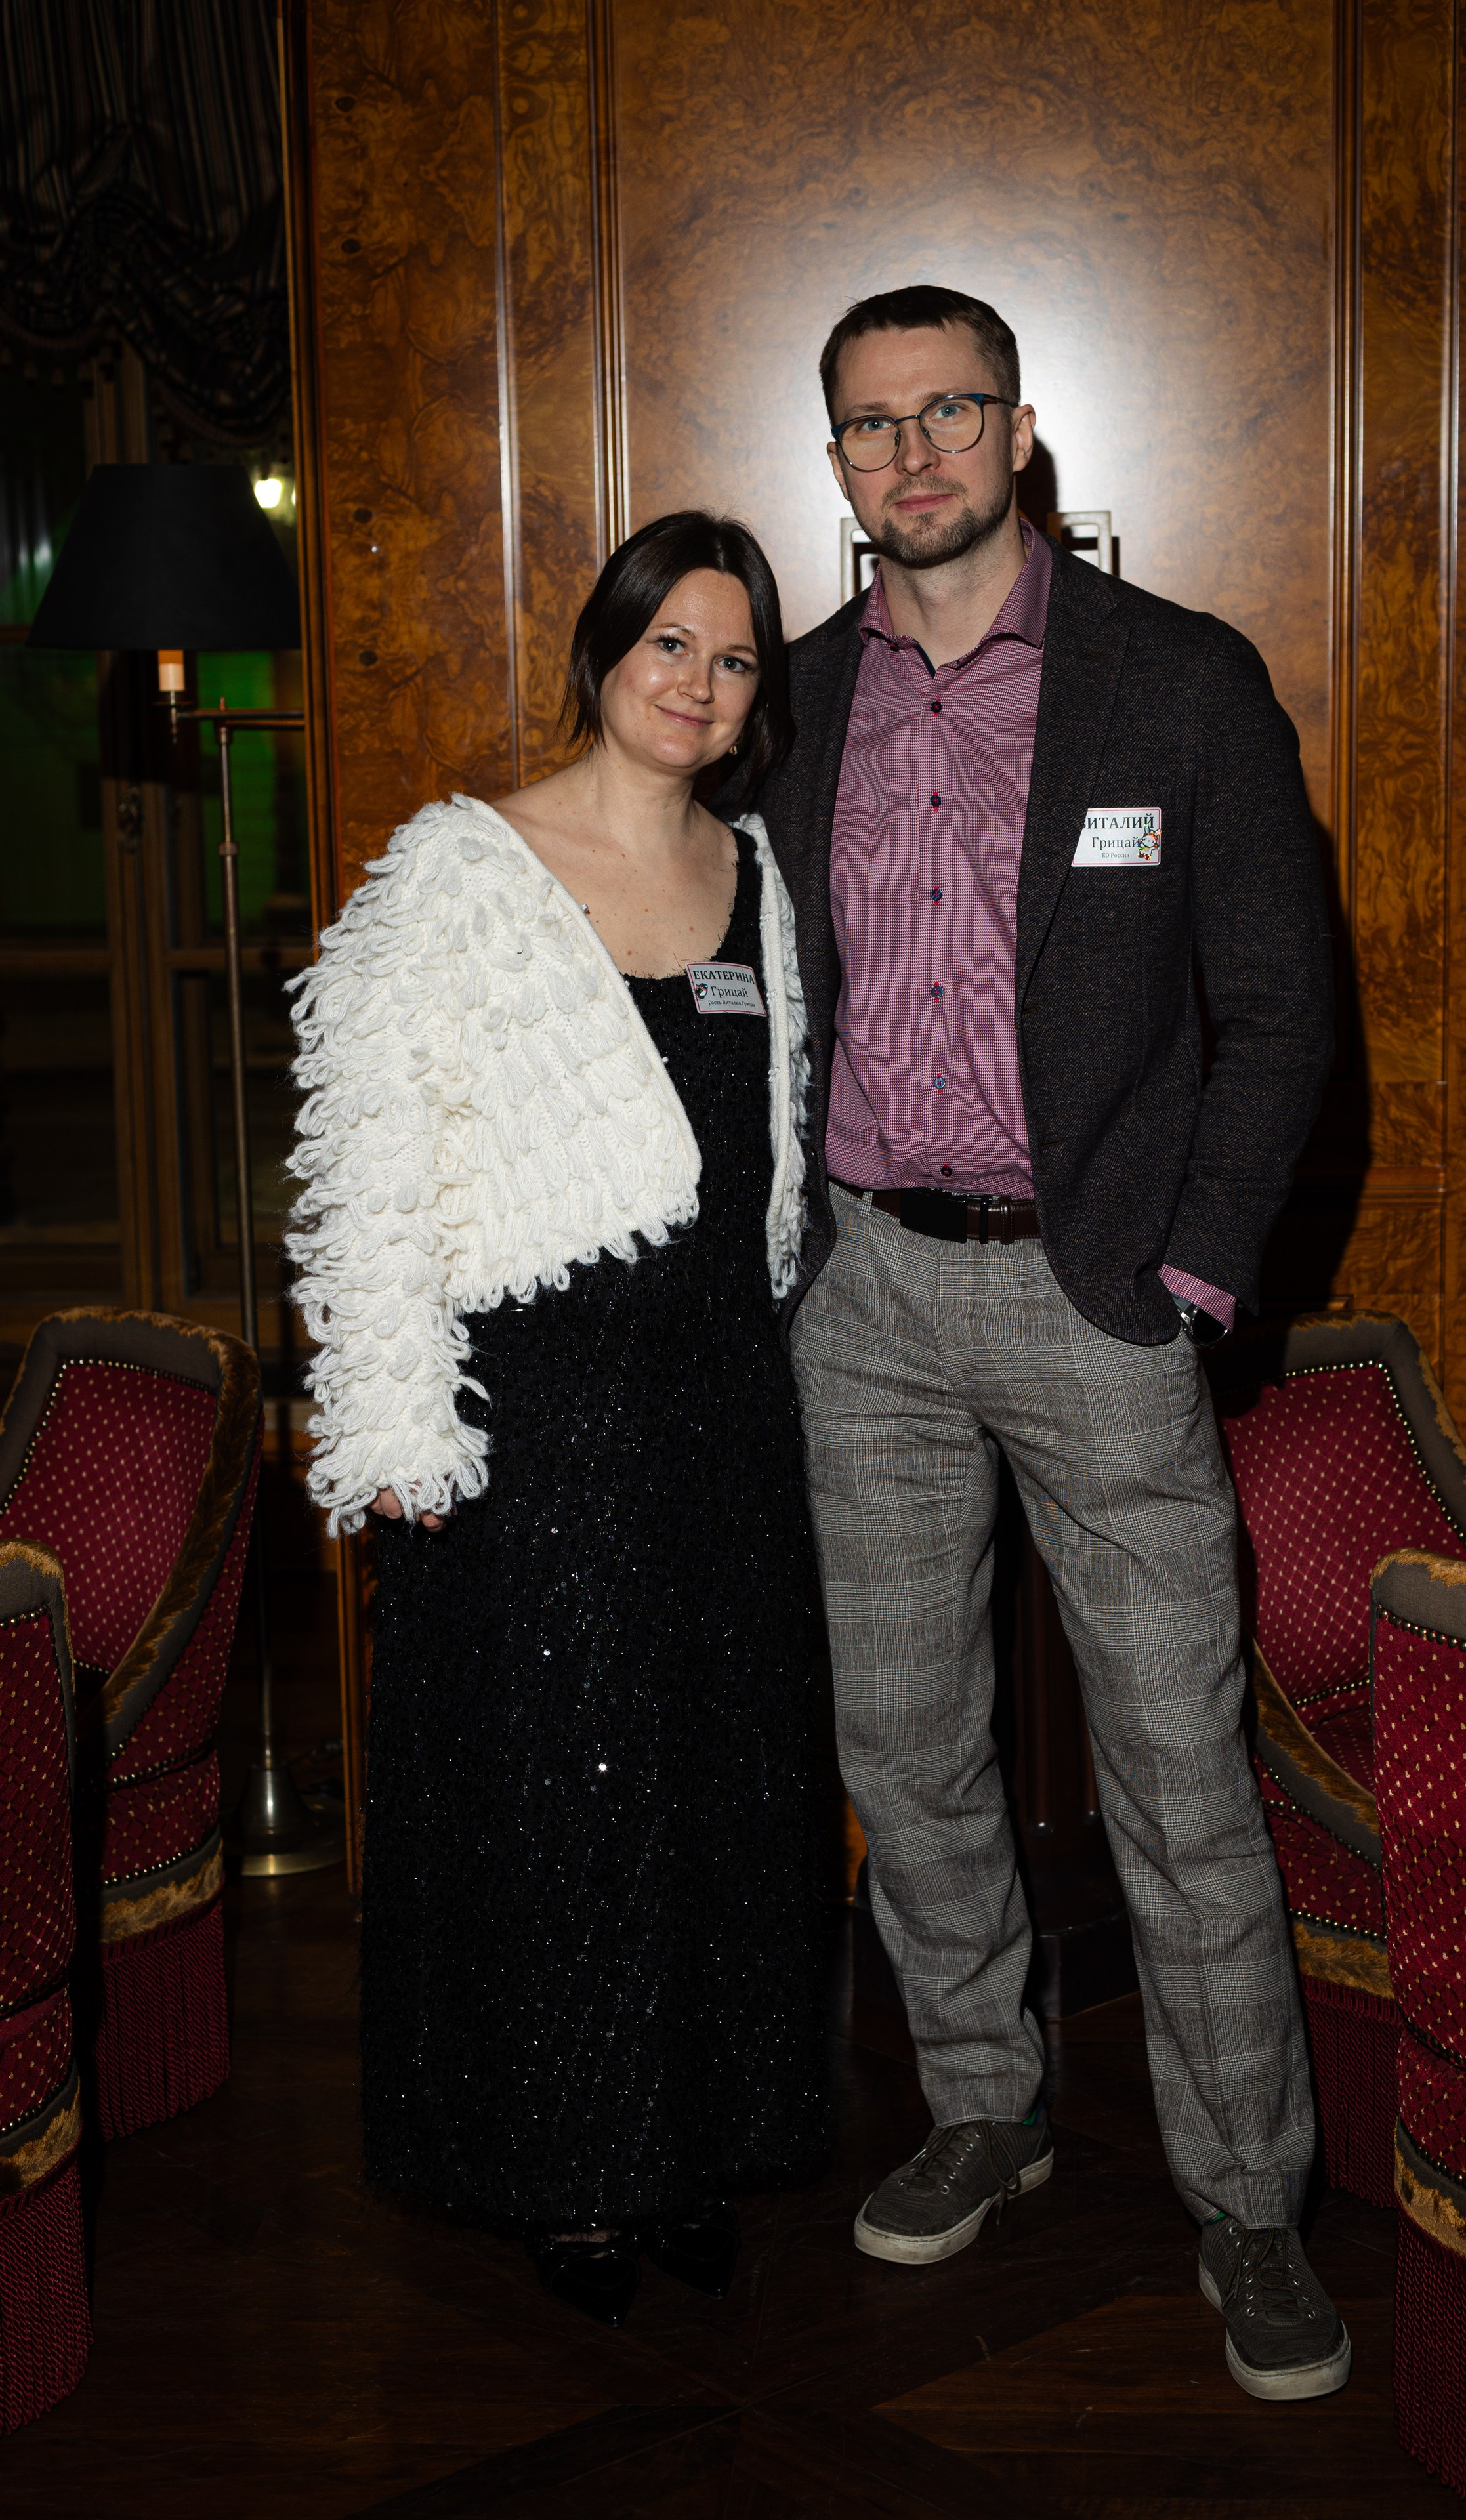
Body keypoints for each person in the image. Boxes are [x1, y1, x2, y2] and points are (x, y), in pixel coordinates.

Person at [747, 284, 1347, 2401]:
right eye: (871, 424)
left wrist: (1191, 1279)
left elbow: (1283, 1010)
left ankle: (1251, 2206)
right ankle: (984, 2105)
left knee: (1180, 1775)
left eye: (951, 411)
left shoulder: (1176, 682)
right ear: (835, 459)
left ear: (1021, 431)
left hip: (1097, 1295)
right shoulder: (789, 701)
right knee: (907, 1750)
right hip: (866, 1303)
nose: (912, 455)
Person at [287, 511, 826, 2330]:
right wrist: (395, 1428)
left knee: (717, 1795)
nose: (699, 683)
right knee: (556, 1805)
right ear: (604, 652)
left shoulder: (760, 878)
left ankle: (694, 2144)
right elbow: (368, 1158)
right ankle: (573, 2169)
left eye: (735, 659)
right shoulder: (465, 866)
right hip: (539, 1425)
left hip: (725, 1420)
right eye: (671, 642)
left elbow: (777, 1156)